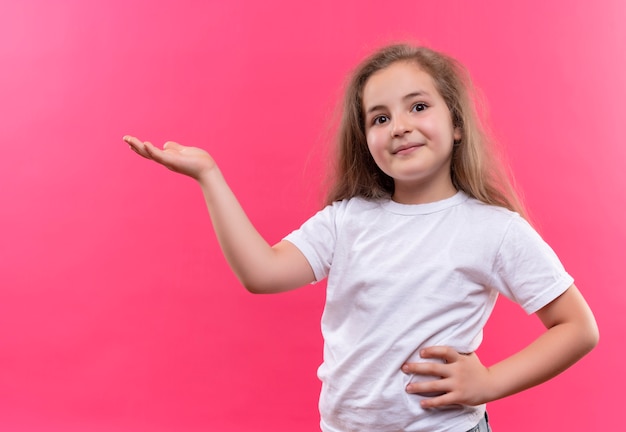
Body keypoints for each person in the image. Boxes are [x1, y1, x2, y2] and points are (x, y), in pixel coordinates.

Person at [124, 44, 599, 432]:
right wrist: (210, 176)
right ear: (366, 141)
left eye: (418, 106)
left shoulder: (494, 229)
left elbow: (578, 327)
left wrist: (490, 382)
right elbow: (261, 272)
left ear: (456, 124)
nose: (401, 126)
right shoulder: (346, 221)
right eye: (380, 118)